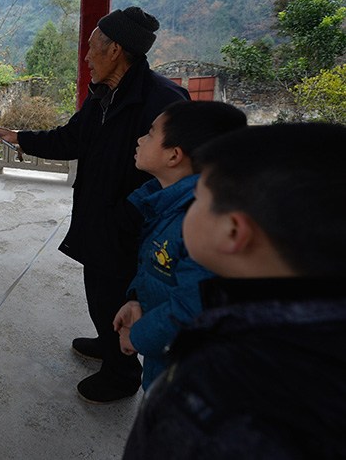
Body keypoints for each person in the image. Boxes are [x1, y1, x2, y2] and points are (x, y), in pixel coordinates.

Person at [0, 6, 189, 403]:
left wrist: (127, 215)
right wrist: (19, 138)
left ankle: (121, 375)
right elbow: (72, 140)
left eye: (91, 47)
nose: (86, 56)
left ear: (114, 49)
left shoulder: (164, 100)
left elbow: (177, 170)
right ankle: (107, 339)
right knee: (99, 292)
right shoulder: (102, 96)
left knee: (121, 294)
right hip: (98, 216)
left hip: (132, 225)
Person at [122, 122, 346, 459]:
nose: (189, 206)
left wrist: (139, 335)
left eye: (198, 198)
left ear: (233, 231)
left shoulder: (214, 392)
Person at [112, 100, 247, 392]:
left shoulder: (203, 220)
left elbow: (194, 308)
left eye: (149, 133)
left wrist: (137, 337)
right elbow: (159, 269)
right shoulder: (166, 203)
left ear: (174, 155)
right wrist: (137, 300)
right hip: (167, 360)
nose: (140, 139)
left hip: (190, 378)